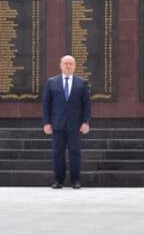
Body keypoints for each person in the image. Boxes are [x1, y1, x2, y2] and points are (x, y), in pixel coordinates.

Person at [42, 55, 91, 189]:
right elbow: (46, 104)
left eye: (71, 63)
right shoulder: (51, 82)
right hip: (57, 124)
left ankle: (75, 180)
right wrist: (46, 123)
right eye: (66, 63)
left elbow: (87, 105)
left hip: (75, 125)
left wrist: (86, 122)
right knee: (58, 153)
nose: (68, 66)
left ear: (75, 65)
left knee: (75, 152)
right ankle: (58, 180)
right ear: (61, 65)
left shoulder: (82, 83)